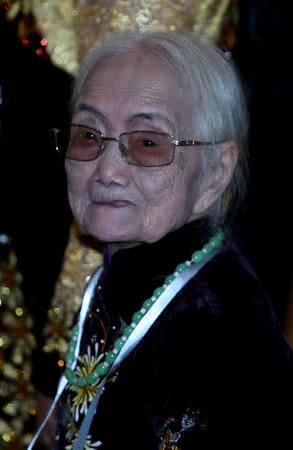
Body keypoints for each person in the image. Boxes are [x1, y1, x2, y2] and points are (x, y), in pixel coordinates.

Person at [32, 30, 293, 449]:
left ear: (216, 172)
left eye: (148, 143)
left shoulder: (221, 335)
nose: (107, 171)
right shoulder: (121, 277)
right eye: (88, 135)